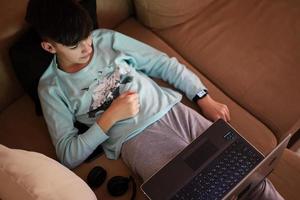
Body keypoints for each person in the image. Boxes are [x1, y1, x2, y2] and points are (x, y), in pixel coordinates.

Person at [25, 0, 283, 199]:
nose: (88, 48)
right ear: (50, 47)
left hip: (175, 112)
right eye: (75, 46)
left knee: (251, 175)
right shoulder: (51, 88)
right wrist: (110, 117)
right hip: (136, 139)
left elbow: (162, 64)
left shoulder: (106, 40)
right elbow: (68, 154)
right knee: (198, 193)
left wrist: (202, 96)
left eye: (87, 37)